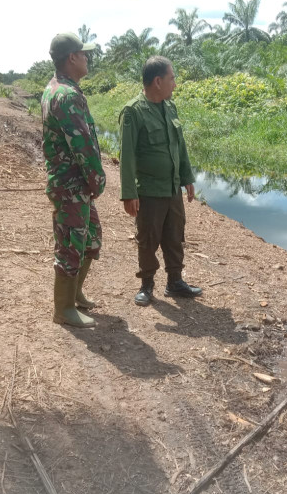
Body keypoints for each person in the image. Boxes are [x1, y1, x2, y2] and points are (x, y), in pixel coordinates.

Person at [119, 56, 203, 306]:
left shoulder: (170, 107)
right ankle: (146, 284)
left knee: (175, 234)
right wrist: (129, 193)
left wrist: (187, 177)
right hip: (149, 191)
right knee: (148, 238)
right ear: (158, 81)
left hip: (172, 188)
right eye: (172, 78)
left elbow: (180, 146)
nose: (174, 84)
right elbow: (127, 156)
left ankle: (175, 282)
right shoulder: (133, 112)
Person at [42, 32, 105, 328]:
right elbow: (83, 147)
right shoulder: (65, 95)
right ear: (72, 58)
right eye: (84, 54)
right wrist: (97, 179)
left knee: (90, 239)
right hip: (70, 187)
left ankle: (75, 294)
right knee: (69, 245)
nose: (87, 58)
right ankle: (63, 308)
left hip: (75, 186)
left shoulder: (62, 89)